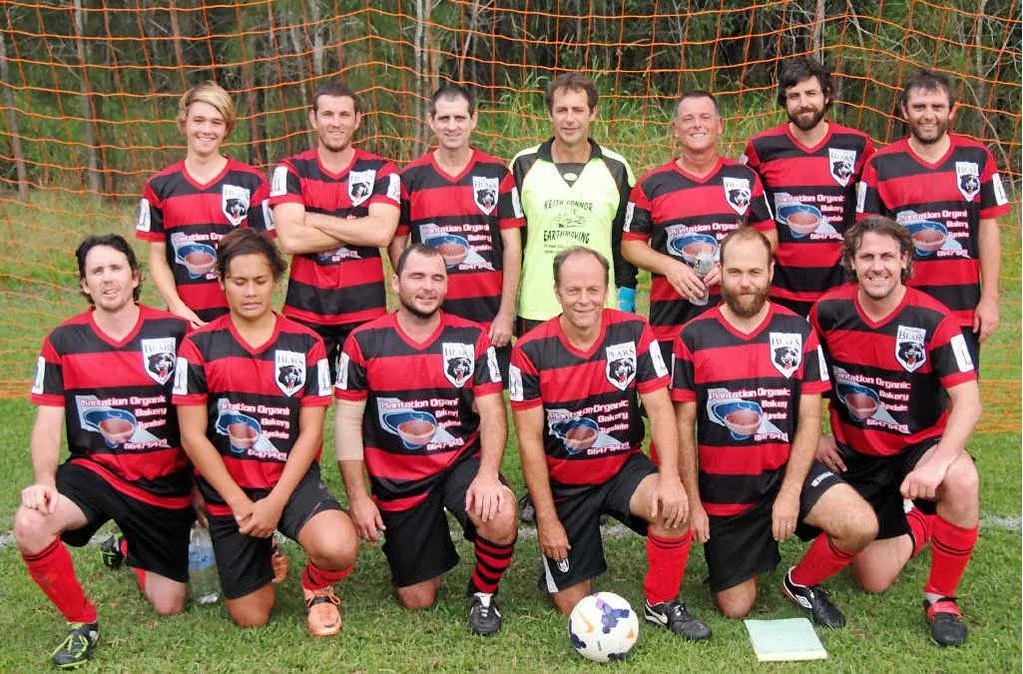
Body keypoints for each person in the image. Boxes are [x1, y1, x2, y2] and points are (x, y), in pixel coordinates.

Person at [671, 226, 876, 626]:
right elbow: (684, 428)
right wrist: (695, 504)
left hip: (786, 472)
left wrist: (790, 494)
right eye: (734, 272)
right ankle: (750, 548)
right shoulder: (694, 336)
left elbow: (809, 419)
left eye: (754, 272)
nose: (745, 283)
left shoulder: (797, 331)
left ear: (770, 270)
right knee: (735, 607)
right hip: (726, 489)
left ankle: (801, 582)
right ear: (720, 272)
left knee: (860, 525)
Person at [509, 246, 710, 641]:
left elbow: (661, 409)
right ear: (556, 292)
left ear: (606, 290)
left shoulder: (633, 332)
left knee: (673, 505)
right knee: (572, 604)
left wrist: (670, 477)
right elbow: (529, 444)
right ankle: (560, 559)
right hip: (566, 483)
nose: (584, 300)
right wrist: (547, 520)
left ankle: (661, 602)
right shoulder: (529, 351)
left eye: (592, 289)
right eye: (573, 290)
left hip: (622, 468)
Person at [14, 234, 193, 668]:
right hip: (96, 473)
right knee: (30, 522)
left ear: (135, 278)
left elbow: (198, 416)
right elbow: (48, 421)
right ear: (84, 285)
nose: (107, 278)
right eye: (97, 271)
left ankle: (127, 543)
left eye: (115, 268)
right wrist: (43, 481)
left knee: (169, 604)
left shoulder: (174, 331)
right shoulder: (62, 340)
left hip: (164, 482)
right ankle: (82, 623)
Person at [173, 228, 358, 637]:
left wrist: (274, 502)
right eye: (239, 282)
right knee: (251, 616)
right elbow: (193, 436)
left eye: (260, 280)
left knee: (338, 546)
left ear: (276, 279)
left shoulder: (305, 343)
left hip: (287, 483)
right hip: (228, 493)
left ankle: (316, 585)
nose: (251, 291)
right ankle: (263, 546)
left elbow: (310, 434)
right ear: (221, 281)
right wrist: (239, 502)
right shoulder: (198, 346)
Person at [810, 216, 982, 646]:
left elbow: (969, 401)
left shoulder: (934, 319)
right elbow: (804, 385)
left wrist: (938, 464)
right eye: (866, 256)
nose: (877, 266)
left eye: (888, 256)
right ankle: (921, 517)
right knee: (873, 579)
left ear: (905, 260)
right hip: (856, 454)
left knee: (960, 478)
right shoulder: (828, 312)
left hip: (918, 448)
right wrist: (815, 436)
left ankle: (941, 597)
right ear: (851, 261)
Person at [335, 243, 517, 636]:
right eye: (417, 277)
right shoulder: (364, 342)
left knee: (500, 513)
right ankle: (414, 553)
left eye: (437, 278)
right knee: (418, 599)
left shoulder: (471, 337)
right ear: (396, 281)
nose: (428, 287)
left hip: (458, 461)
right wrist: (358, 497)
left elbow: (492, 412)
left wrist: (487, 476)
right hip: (397, 476)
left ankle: (483, 594)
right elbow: (347, 423)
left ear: (447, 285)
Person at [857, 68, 1010, 368]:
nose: (928, 115)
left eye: (937, 107)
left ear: (952, 111)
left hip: (962, 309)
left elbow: (988, 230)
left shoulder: (978, 158)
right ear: (904, 110)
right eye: (919, 107)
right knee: (907, 405)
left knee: (960, 400)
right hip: (900, 308)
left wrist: (989, 299)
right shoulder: (880, 165)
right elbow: (867, 241)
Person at [622, 90, 775, 362]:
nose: (697, 124)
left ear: (719, 125)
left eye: (705, 117)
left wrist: (728, 264)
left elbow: (769, 236)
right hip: (672, 322)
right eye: (688, 119)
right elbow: (631, 245)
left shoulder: (745, 178)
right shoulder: (651, 184)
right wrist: (670, 267)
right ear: (675, 129)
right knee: (674, 402)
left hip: (735, 322)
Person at [389, 84, 524, 379]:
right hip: (433, 310)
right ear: (431, 121)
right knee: (438, 396)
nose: (452, 127)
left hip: (487, 313)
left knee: (488, 403)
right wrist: (412, 294)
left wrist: (506, 313)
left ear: (473, 120)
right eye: (445, 119)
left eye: (460, 118)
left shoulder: (498, 175)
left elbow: (513, 247)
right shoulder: (411, 178)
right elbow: (397, 243)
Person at [269, 80, 401, 379]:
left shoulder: (381, 169)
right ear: (314, 119)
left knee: (368, 403)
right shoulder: (290, 169)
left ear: (357, 121)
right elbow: (290, 239)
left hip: (365, 310)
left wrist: (313, 218)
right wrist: (355, 226)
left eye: (344, 115)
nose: (336, 122)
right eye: (328, 114)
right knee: (302, 404)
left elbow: (380, 234)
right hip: (305, 310)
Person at [741, 57, 876, 316]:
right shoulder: (761, 148)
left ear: (826, 96)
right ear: (784, 101)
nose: (803, 103)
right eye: (794, 96)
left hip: (842, 288)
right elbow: (747, 215)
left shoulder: (857, 145)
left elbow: (877, 207)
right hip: (780, 289)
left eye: (811, 93)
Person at [137, 81, 274, 328]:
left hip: (241, 320)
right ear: (184, 122)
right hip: (185, 319)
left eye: (216, 122)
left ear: (226, 128)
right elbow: (157, 258)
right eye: (199, 120)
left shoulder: (251, 181)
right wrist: (177, 306)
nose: (206, 130)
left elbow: (265, 254)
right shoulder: (159, 185)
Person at [510, 72, 638, 335]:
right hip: (537, 308)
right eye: (562, 110)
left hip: (597, 307)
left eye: (578, 110)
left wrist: (625, 299)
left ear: (592, 113)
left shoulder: (617, 168)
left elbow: (623, 243)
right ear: (550, 114)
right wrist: (506, 305)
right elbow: (511, 244)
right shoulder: (522, 165)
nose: (569, 119)